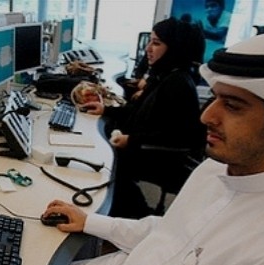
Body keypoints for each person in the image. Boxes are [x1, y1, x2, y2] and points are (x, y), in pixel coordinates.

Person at [43, 31, 264, 265]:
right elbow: (168, 233)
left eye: (233, 105)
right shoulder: (215, 170)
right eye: (214, 98)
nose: (207, 116)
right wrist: (91, 222)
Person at [81, 17, 206, 219]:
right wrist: (105, 110)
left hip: (164, 158)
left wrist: (131, 140)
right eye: (150, 41)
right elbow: (136, 111)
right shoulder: (165, 75)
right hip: (148, 146)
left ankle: (136, 218)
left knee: (109, 161)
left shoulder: (177, 84)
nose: (148, 48)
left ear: (174, 48)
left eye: (156, 43)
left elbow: (177, 136)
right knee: (103, 142)